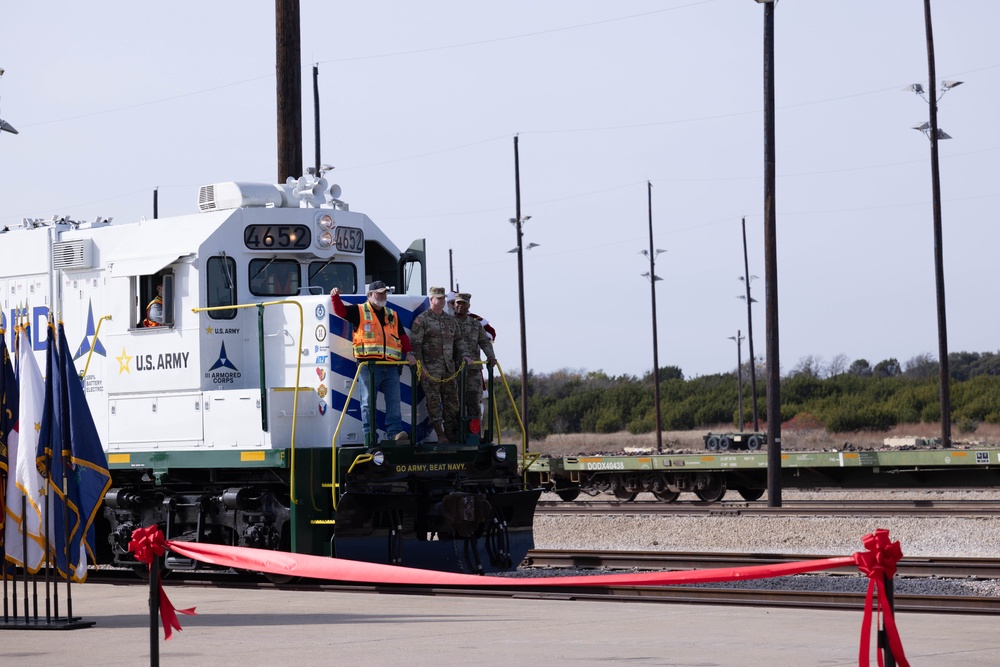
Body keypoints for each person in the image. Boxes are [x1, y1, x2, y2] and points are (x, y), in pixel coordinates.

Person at [331, 281, 416, 445]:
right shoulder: (359, 310)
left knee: (394, 401)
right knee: (368, 402)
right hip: (368, 366)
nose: (383, 296)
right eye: (379, 293)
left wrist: (409, 353)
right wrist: (335, 296)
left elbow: (402, 336)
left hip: (391, 366)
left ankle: (394, 433)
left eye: (385, 293)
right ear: (370, 295)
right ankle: (370, 436)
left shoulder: (392, 314)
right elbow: (340, 311)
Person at [410, 286, 470, 443]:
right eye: (439, 298)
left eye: (443, 298)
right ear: (431, 300)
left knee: (453, 402)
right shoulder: (422, 320)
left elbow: (459, 340)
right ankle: (440, 434)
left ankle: (450, 432)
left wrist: (465, 354)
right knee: (434, 402)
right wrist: (420, 366)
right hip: (430, 371)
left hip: (449, 369)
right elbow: (415, 345)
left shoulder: (450, 320)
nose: (442, 301)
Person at [452, 292, 496, 421]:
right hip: (453, 369)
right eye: (458, 303)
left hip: (472, 370)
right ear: (454, 305)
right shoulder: (448, 322)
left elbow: (484, 342)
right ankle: (455, 435)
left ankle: (474, 433)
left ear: (468, 306)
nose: (460, 306)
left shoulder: (475, 324)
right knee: (454, 404)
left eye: (463, 303)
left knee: (473, 403)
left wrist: (491, 357)